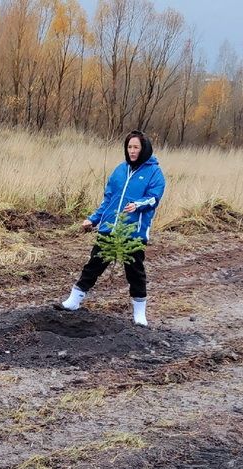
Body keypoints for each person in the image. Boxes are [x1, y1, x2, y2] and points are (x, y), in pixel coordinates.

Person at [58, 130, 167, 326]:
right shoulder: (119, 170)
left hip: (133, 231)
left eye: (136, 147)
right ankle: (73, 301)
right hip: (109, 228)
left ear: (144, 149)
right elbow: (108, 199)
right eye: (129, 147)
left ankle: (139, 314)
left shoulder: (154, 172)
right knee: (94, 264)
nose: (132, 151)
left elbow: (154, 198)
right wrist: (94, 219)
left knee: (135, 271)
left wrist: (138, 204)